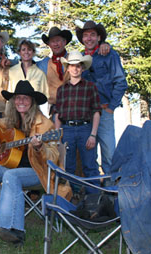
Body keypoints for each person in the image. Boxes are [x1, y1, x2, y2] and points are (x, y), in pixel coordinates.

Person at [0, 80, 71, 245]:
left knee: (11, 176)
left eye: (25, 98)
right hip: (14, 169)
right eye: (18, 98)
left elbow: (53, 157)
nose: (21, 102)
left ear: (32, 102)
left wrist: (39, 147)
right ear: (13, 101)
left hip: (39, 172)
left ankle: (15, 230)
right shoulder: (11, 120)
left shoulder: (45, 125)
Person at [76, 21, 128, 174]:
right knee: (88, 155)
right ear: (82, 39)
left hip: (105, 111)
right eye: (86, 35)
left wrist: (112, 107)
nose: (89, 38)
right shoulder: (80, 59)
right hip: (85, 114)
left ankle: (112, 193)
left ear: (99, 37)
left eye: (92, 35)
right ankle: (93, 194)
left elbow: (120, 82)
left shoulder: (109, 54)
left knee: (109, 154)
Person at [53, 50, 102, 191]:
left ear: (82, 68)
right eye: (72, 65)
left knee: (90, 165)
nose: (75, 69)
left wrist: (93, 134)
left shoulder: (90, 87)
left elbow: (96, 111)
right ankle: (70, 198)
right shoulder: (62, 89)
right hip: (67, 130)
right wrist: (57, 135)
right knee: (68, 166)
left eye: (78, 66)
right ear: (68, 68)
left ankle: (94, 199)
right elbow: (58, 114)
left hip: (85, 129)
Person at [8, 39, 49, 117]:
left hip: (35, 114)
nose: (26, 52)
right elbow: (9, 97)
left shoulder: (40, 73)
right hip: (15, 114)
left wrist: (44, 117)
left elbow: (45, 97)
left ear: (33, 52)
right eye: (23, 49)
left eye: (29, 49)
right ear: (19, 52)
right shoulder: (11, 71)